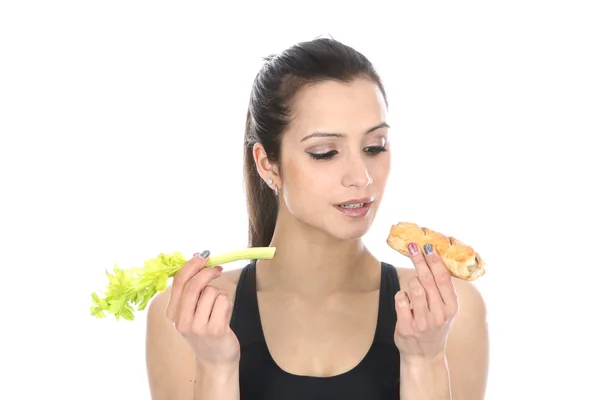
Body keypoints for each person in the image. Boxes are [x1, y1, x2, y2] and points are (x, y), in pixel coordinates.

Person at [145, 37, 489, 400]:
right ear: (267, 164)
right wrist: (215, 368)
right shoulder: (187, 319)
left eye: (374, 147)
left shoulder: (447, 314)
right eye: (325, 153)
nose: (362, 177)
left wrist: (425, 360)